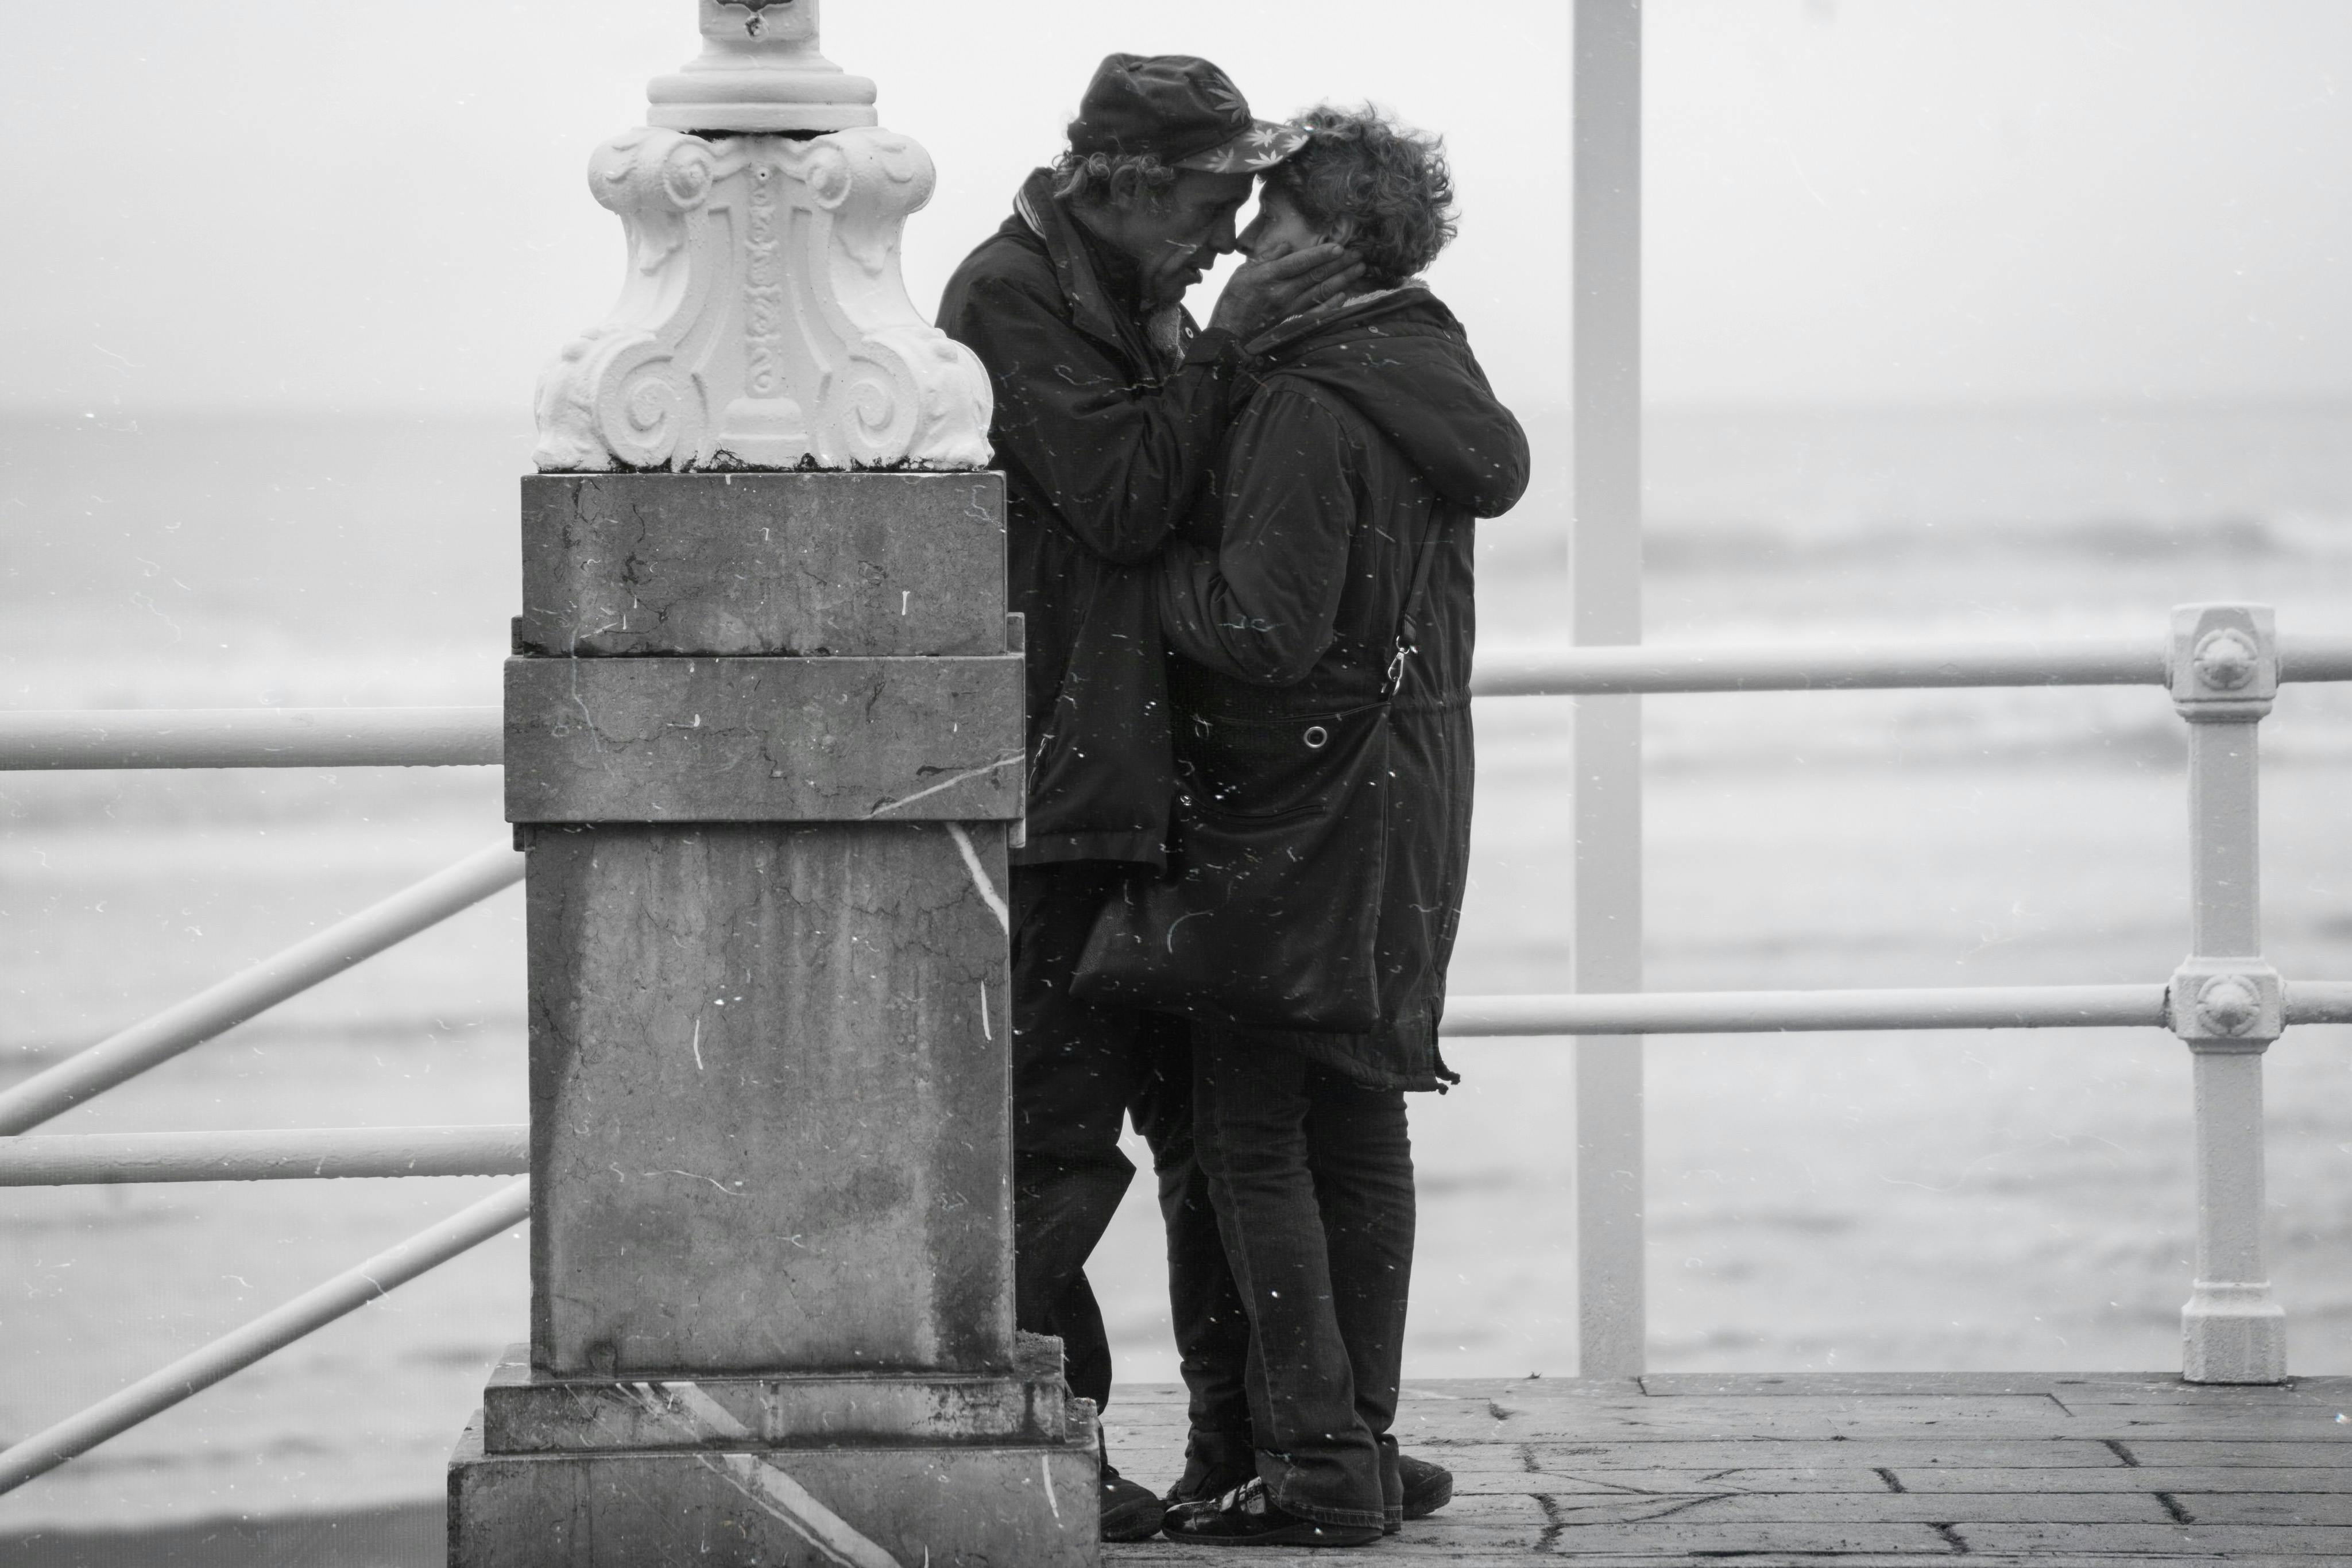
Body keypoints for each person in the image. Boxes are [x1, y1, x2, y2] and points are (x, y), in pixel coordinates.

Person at [935, 54, 1363, 1540]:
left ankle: (1231, 1447)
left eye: (1249, 203)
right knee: (1056, 1137)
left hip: (1150, 781)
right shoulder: (1009, 296)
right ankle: (1060, 1440)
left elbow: (1150, 501)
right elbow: (1124, 496)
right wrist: (1218, 353)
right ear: (1120, 181)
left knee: (1198, 1136)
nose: (1232, 231)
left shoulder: (1115, 292)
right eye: (1214, 197)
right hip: (1064, 791)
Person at [1151, 106, 1530, 1545]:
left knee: (1253, 1127)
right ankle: (1358, 1441)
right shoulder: (1425, 367)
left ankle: (1315, 1472)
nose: (1245, 242)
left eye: (1276, 223)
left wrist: (1142, 590)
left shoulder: (1310, 400)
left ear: (1336, 247)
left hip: (1294, 799)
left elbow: (1263, 625)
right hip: (1410, 782)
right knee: (1358, 1115)